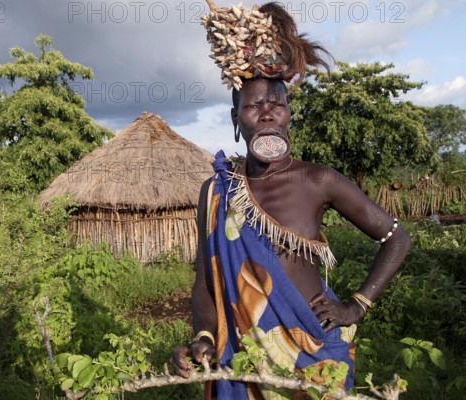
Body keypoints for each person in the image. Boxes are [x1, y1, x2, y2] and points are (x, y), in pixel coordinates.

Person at [171, 2, 411, 399]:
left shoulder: (317, 180)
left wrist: (357, 305)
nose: (265, 114)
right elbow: (204, 281)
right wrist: (203, 338)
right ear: (235, 118)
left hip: (314, 357)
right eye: (252, 106)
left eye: (275, 105)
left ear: (287, 114)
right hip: (242, 363)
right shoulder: (215, 191)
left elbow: (397, 238)